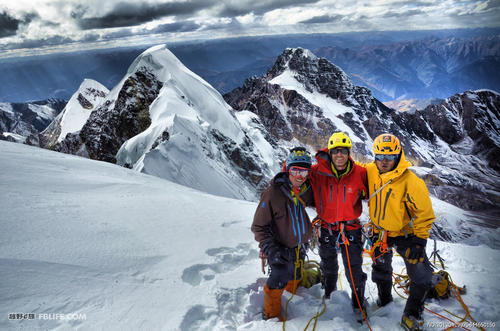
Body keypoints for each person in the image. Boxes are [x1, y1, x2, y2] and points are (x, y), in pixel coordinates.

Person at [365, 133, 435, 331]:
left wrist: (420, 241)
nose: (384, 161)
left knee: (421, 275)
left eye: (390, 157)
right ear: (374, 156)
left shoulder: (411, 182)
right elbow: (351, 168)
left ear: (398, 156)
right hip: (380, 233)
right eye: (379, 156)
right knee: (380, 269)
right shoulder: (370, 171)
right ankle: (384, 300)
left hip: (407, 236)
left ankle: (412, 313)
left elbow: (425, 213)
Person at [308, 132, 368, 319]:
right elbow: (296, 173)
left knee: (353, 268)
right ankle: (329, 294)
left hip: (350, 228)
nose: (339, 155)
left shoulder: (360, 173)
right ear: (330, 152)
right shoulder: (317, 172)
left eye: (343, 151)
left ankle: (358, 302)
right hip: (326, 226)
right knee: (328, 265)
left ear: (348, 152)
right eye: (335, 152)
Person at [251, 147, 314, 321]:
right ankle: (271, 316)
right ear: (287, 169)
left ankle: (291, 299)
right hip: (278, 247)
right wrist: (270, 248)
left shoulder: (304, 190)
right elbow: (258, 226)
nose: (300, 175)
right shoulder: (273, 193)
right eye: (295, 170)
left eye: (304, 171)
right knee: (279, 277)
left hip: (298, 246)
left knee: (295, 275)